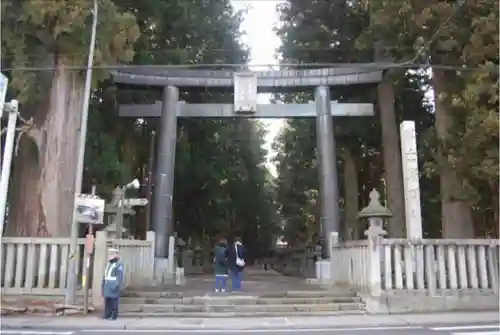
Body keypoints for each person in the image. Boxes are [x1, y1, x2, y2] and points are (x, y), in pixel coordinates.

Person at [101, 248, 124, 320]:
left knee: (114, 301)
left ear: (116, 255)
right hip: (107, 286)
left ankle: (114, 315)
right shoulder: (108, 264)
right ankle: (107, 314)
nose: (109, 255)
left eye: (111, 254)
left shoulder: (119, 264)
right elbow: (105, 275)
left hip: (113, 286)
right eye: (109, 254)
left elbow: (120, 277)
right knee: (107, 301)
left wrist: (116, 285)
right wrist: (103, 285)